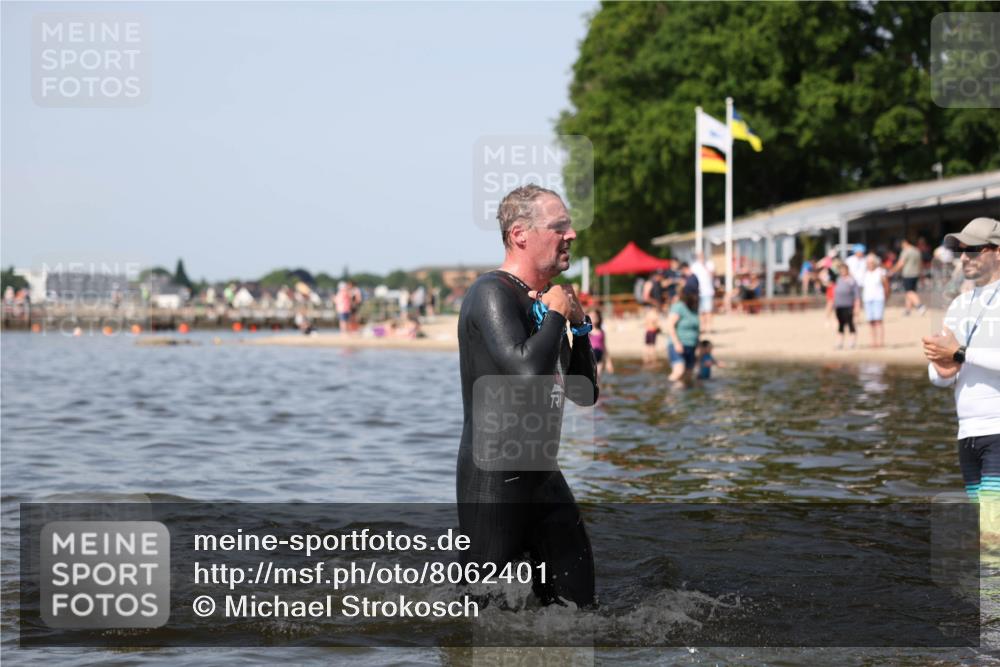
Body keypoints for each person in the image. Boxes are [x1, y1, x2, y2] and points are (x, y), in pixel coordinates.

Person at [456, 184, 598, 608]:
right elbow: (525, 371)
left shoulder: (543, 302)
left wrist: (580, 325)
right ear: (520, 234)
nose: (571, 235)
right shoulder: (490, 292)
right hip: (494, 481)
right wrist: (556, 312)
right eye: (559, 227)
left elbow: (584, 392)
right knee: (480, 615)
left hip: (543, 476)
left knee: (580, 609)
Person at [922, 218, 1000, 528]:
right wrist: (942, 368)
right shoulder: (959, 304)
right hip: (967, 433)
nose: (964, 257)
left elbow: (960, 353)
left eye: (974, 250)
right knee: (986, 528)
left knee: (992, 529)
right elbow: (938, 374)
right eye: (961, 251)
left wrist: (960, 354)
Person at [665, 288, 700, 383]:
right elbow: (670, 325)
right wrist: (676, 343)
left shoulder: (694, 309)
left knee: (688, 374)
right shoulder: (678, 307)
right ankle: (670, 393)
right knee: (679, 371)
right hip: (678, 344)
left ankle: (684, 396)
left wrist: (698, 346)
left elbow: (696, 330)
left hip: (691, 345)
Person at [892, 238, 927, 316]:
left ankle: (920, 306)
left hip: (908, 274)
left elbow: (901, 263)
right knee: (910, 292)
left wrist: (892, 271)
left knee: (909, 292)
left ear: (905, 242)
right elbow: (920, 264)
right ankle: (908, 310)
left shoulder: (906, 251)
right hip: (916, 273)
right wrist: (922, 276)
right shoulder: (917, 251)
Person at [861, 253, 889, 348]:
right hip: (867, 299)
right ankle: (873, 342)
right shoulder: (865, 273)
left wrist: (886, 297)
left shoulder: (880, 272)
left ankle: (880, 342)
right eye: (868, 262)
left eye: (872, 262)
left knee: (878, 321)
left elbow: (886, 286)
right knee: (871, 321)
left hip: (878, 299)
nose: (870, 264)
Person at [832, 262, 860, 349]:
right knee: (840, 324)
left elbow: (857, 295)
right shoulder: (838, 280)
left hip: (848, 305)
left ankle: (852, 342)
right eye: (841, 270)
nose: (843, 271)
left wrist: (857, 307)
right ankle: (840, 342)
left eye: (844, 270)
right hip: (839, 305)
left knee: (851, 324)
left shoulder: (852, 281)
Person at [690, 251, 715, 333]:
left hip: (708, 291)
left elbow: (712, 275)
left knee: (709, 310)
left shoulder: (709, 264)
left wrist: (704, 266)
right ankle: (702, 328)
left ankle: (710, 328)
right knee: (701, 311)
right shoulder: (694, 266)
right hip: (698, 292)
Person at [588, 308, 613, 378]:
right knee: (591, 377)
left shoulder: (601, 332)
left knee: (598, 377)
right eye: (592, 317)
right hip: (590, 358)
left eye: (595, 317)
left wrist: (609, 362)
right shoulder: (587, 332)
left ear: (599, 318)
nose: (594, 318)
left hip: (599, 358)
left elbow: (604, 347)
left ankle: (599, 388)